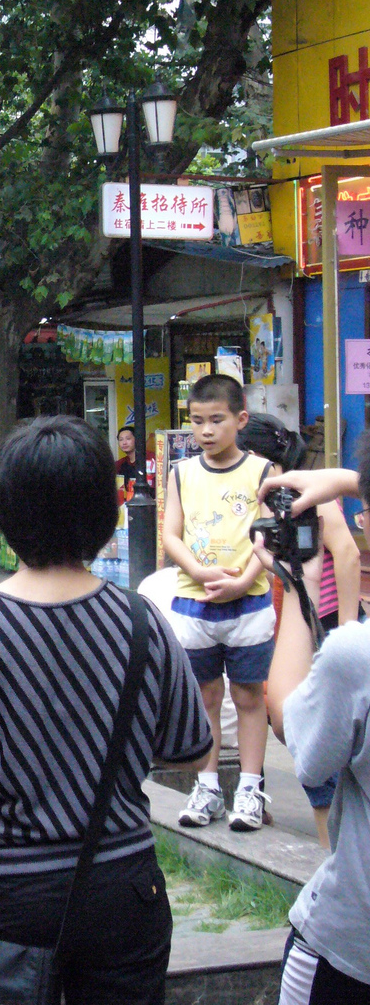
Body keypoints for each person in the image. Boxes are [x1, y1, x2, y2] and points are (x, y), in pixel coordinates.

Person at [0, 415, 212, 1004]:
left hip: (2, 893)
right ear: (105, 513)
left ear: (6, 510)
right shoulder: (143, 621)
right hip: (122, 889)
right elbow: (192, 748)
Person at [254, 460, 370, 1004]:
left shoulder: (357, 658)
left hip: (351, 948)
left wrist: (296, 586)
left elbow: (291, 726)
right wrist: (352, 480)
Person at [238, 413, 361, 848]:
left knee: (311, 730)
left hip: (325, 623)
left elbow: (346, 555)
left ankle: (333, 847)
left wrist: (345, 633)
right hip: (297, 620)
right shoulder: (270, 498)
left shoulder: (307, 495)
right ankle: (331, 843)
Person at [161, 374, 276, 832]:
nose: (205, 430)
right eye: (197, 421)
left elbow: (268, 536)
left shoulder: (264, 472)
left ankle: (248, 789)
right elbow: (171, 533)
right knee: (204, 695)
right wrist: (201, 573)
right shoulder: (182, 473)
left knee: (249, 696)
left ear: (240, 419)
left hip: (248, 604)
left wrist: (244, 580)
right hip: (194, 603)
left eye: (217, 420)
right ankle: (206, 788)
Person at [116, 424, 156, 504]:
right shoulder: (120, 464)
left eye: (128, 439)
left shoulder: (151, 458)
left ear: (137, 439)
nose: (124, 443)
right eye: (121, 440)